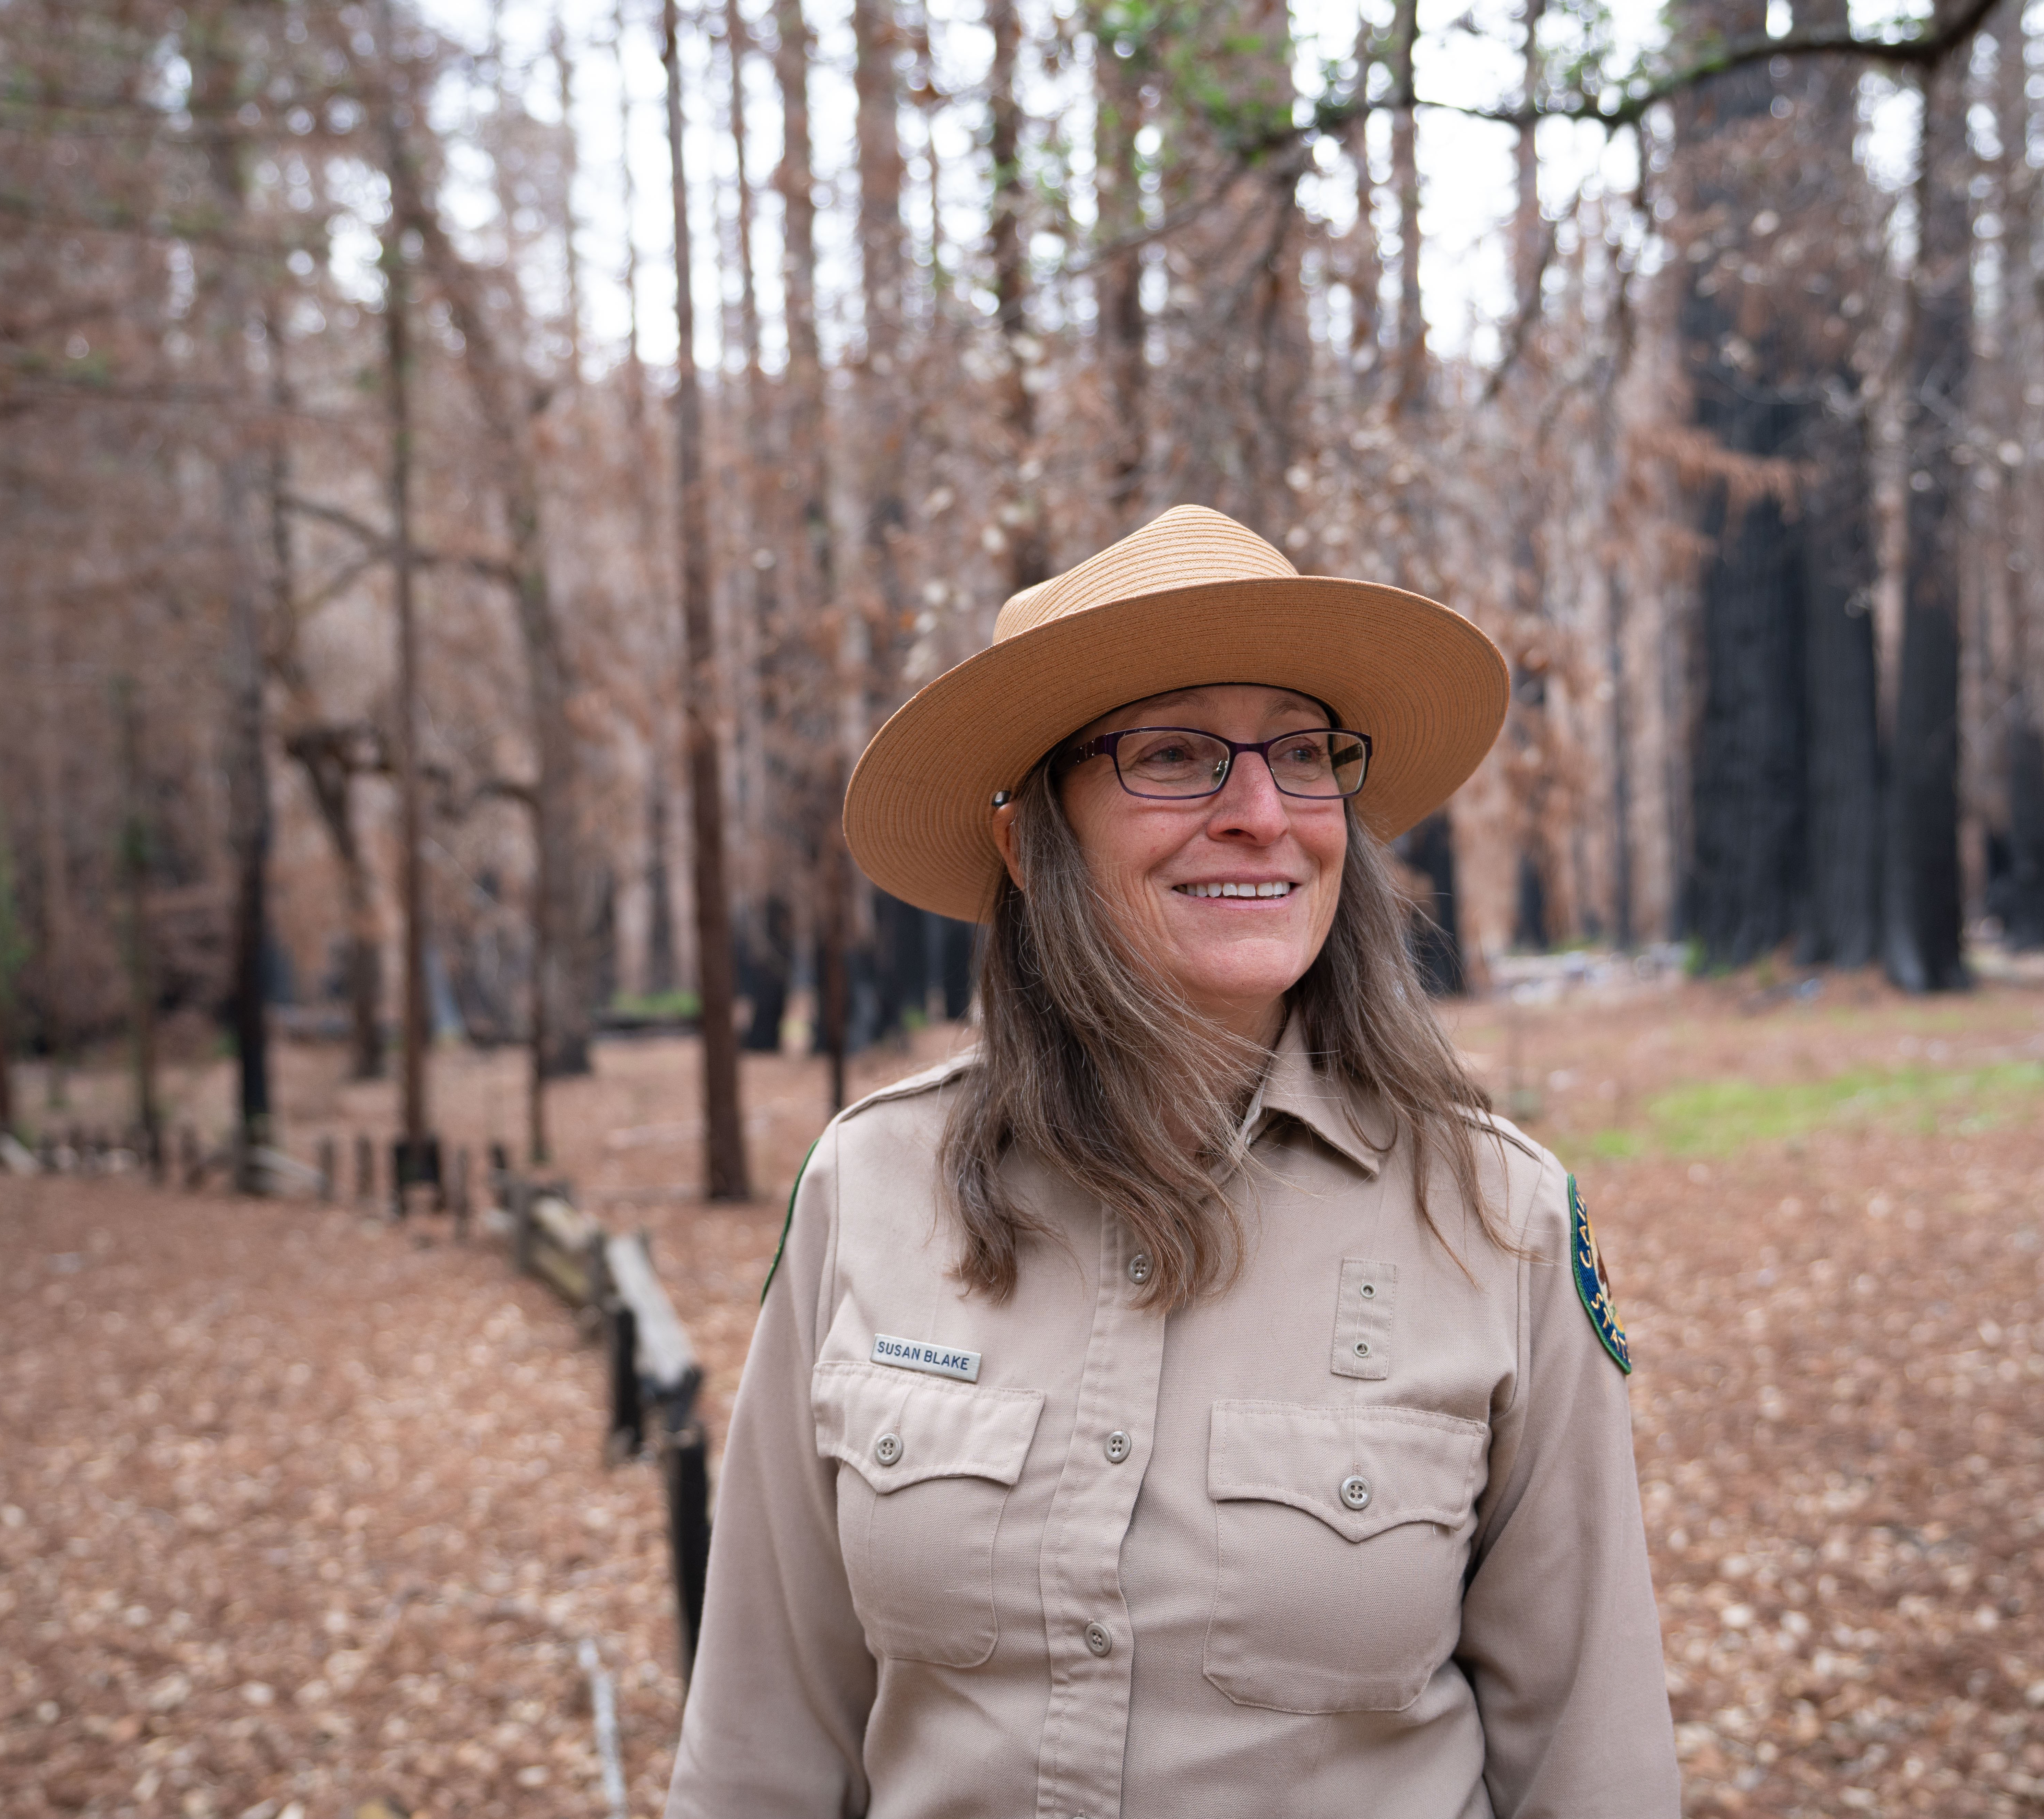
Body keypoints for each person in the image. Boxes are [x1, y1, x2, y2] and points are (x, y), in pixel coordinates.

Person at [665, 506, 1676, 1818]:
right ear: (1030, 842)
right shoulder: (869, 1190)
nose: (1262, 813)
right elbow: (760, 1746)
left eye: (1302, 754)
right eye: (1175, 755)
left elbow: (1593, 1766)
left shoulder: (1498, 1219)